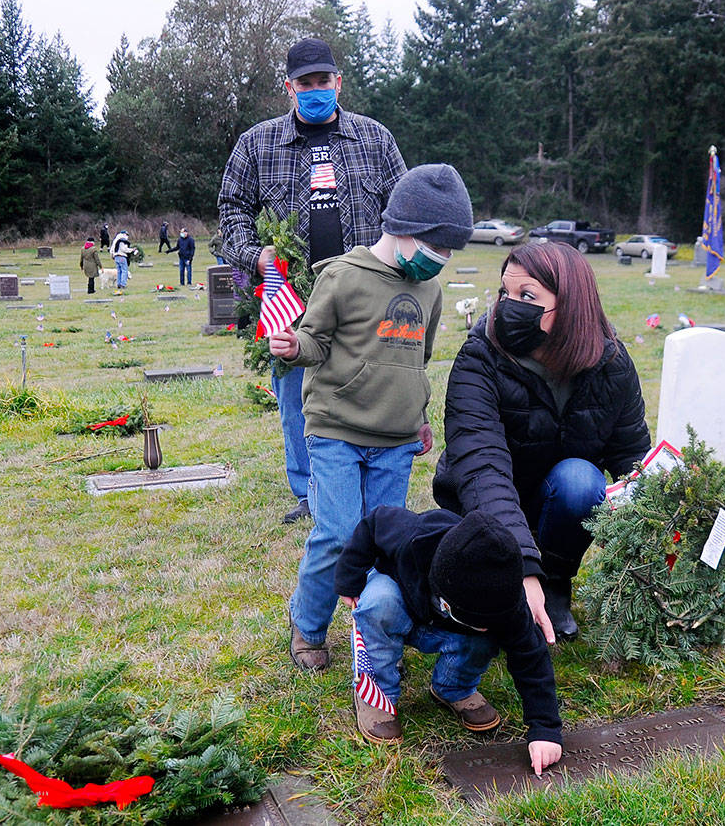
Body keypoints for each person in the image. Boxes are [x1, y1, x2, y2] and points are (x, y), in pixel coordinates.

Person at [267, 163, 473, 672]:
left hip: (396, 439)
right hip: (337, 428)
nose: (441, 259)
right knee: (338, 533)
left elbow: (416, 360)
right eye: (437, 246)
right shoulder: (342, 276)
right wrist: (294, 345)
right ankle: (308, 624)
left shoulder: (430, 290)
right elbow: (315, 341)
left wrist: (419, 416)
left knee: (385, 544)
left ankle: (376, 638)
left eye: (450, 251)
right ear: (405, 228)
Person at [219, 37, 408, 525]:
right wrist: (254, 255)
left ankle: (367, 479)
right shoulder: (257, 143)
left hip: (368, 294)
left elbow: (404, 210)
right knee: (296, 397)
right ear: (290, 88)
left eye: (324, 80)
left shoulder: (376, 139)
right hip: (292, 296)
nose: (316, 89)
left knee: (369, 384)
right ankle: (309, 493)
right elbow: (231, 209)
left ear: (338, 82)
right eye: (306, 83)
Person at [433, 241, 651, 644]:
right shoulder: (480, 356)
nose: (507, 305)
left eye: (526, 296)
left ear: (569, 304)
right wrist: (521, 568)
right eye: (505, 292)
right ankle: (512, 584)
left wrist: (664, 520)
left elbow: (630, 455)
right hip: (484, 502)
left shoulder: (611, 364)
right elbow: (482, 467)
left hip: (557, 503)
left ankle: (554, 587)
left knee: (582, 481)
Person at [335, 506, 562, 775]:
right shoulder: (413, 537)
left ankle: (454, 686)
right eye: (477, 621)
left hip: (450, 628)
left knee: (487, 639)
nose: (484, 626)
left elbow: (532, 659)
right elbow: (373, 522)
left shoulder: (508, 602)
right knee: (378, 604)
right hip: (399, 599)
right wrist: (349, 577)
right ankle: (378, 693)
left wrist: (546, 730)